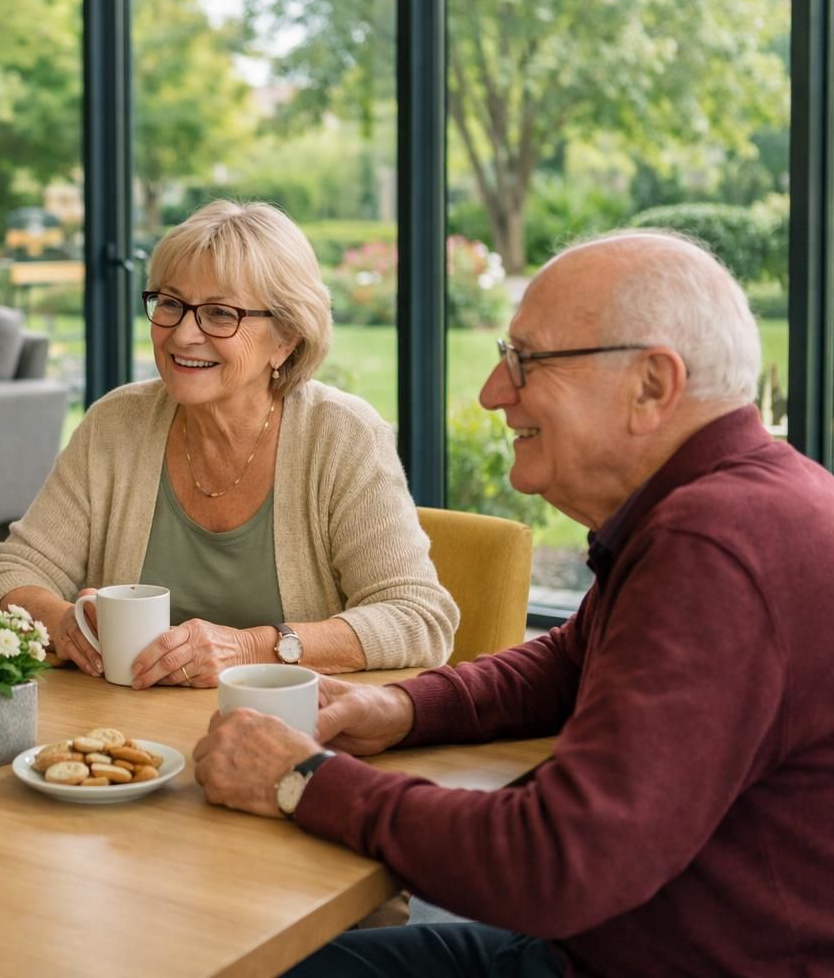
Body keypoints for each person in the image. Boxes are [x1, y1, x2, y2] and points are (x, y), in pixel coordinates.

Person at [193, 230, 834, 976]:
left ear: (652, 386)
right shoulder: (739, 502)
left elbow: (554, 863)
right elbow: (568, 663)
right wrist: (399, 707)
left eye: (526, 360)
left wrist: (302, 779)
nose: (493, 391)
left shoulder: (713, 545)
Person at [0, 200, 456, 687]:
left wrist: (252, 647)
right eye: (170, 303)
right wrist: (62, 624)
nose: (183, 334)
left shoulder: (341, 436)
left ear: (286, 338)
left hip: (285, 725)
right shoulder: (116, 425)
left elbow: (418, 617)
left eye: (220, 314)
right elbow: (7, 575)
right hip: (122, 725)